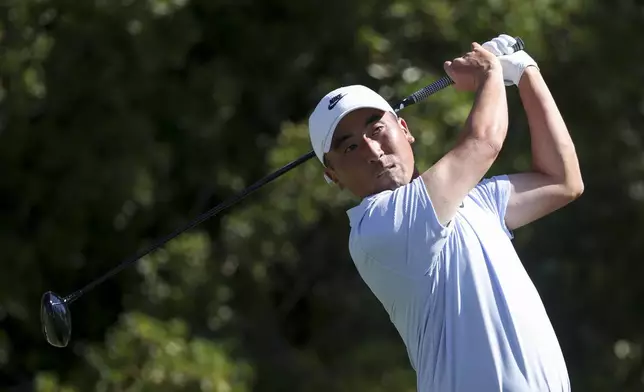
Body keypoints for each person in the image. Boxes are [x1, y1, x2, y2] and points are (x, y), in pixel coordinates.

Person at [307, 34, 583, 391]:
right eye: (350, 147)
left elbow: (562, 180)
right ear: (333, 176)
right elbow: (483, 143)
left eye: (377, 129)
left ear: (404, 130)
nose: (373, 151)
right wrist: (490, 72)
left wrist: (526, 71)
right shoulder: (379, 228)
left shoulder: (473, 202)